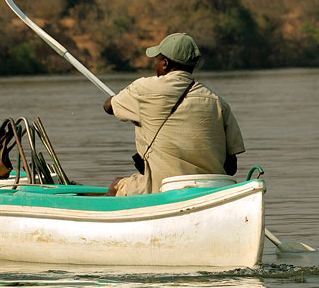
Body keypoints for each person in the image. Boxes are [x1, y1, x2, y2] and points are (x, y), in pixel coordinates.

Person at [102, 33, 245, 196]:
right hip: (213, 190)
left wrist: (124, 101)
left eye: (156, 59)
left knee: (117, 185)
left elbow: (108, 106)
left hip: (164, 189)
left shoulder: (143, 89)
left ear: (165, 63)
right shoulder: (217, 102)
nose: (154, 64)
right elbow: (231, 167)